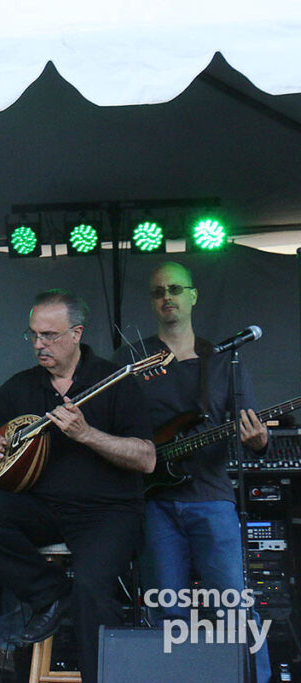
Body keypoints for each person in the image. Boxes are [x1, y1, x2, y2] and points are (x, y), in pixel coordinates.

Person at [0, 289, 155, 683]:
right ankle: (50, 595)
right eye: (33, 335)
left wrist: (87, 434)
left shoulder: (115, 381)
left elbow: (146, 458)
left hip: (107, 512)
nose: (38, 344)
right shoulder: (23, 385)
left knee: (92, 590)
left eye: (49, 335)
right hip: (45, 508)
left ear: (76, 333)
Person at [114, 262, 271, 681]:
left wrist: (259, 440)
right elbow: (111, 425)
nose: (167, 297)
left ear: (193, 296)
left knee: (234, 605)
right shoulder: (132, 359)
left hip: (211, 498)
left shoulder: (221, 360)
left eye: (175, 289)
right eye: (158, 291)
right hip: (155, 501)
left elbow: (252, 430)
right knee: (166, 608)